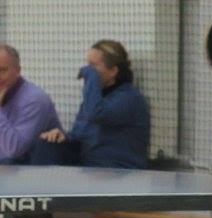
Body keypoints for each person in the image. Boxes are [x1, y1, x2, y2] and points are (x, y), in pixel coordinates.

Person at [29, 40, 149, 169]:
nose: (87, 71)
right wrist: (62, 137)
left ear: (113, 71)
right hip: (89, 167)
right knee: (45, 144)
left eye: (93, 66)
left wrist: (92, 78)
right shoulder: (95, 100)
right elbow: (79, 136)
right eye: (88, 66)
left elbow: (97, 114)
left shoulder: (129, 98)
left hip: (116, 170)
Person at [0, 43, 64, 164]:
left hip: (29, 172)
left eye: (2, 70)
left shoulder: (34, 100)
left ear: (18, 71)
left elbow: (14, 149)